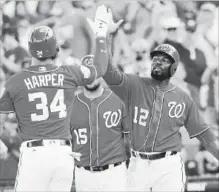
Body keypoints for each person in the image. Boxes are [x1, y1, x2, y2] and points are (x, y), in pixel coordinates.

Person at [91, 5, 219, 192]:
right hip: (138, 163)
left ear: (174, 68)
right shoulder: (133, 85)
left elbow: (206, 137)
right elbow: (104, 70)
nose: (158, 61)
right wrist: (105, 36)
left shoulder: (183, 97)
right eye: (156, 57)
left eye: (165, 59)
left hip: (169, 165)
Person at [0, 12, 109, 191]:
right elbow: (101, 67)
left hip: (34, 153)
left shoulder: (16, 80)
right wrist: (101, 35)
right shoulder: (69, 72)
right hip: (62, 154)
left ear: (30, 49)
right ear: (55, 48)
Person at [70, 54, 130, 192]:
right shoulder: (70, 104)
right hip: (83, 174)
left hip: (114, 172)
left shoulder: (118, 100)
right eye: (87, 73)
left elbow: (132, 137)